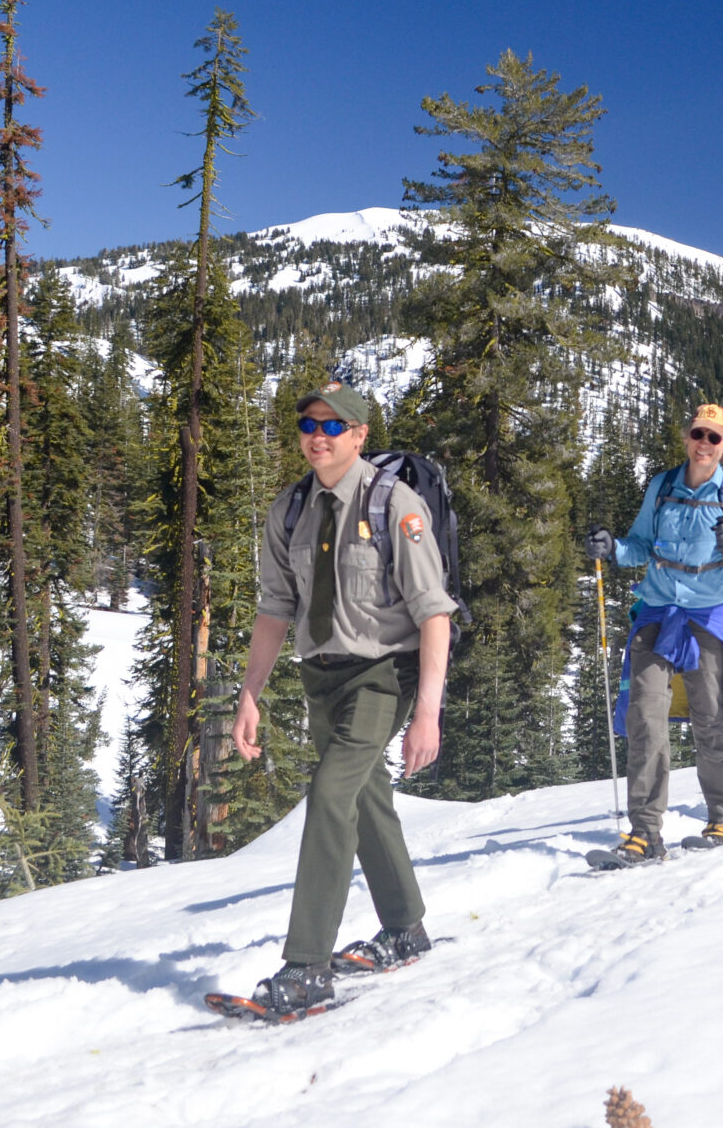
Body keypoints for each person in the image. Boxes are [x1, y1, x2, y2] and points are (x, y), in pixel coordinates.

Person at [227, 381, 458, 1019]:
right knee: (363, 795)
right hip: (320, 677)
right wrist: (250, 695)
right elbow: (276, 609)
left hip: (385, 673)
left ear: (360, 436)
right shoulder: (291, 510)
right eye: (309, 425)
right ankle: (405, 926)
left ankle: (306, 966)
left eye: (334, 427)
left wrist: (427, 713)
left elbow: (433, 613)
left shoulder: (396, 505)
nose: (318, 437)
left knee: (330, 796)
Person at [585, 403, 723, 864]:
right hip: (658, 610)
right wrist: (614, 548)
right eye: (698, 434)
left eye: (714, 438)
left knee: (710, 716)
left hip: (708, 613)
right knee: (645, 717)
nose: (704, 444)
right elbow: (640, 545)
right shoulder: (663, 485)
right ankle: (645, 832)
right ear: (687, 437)